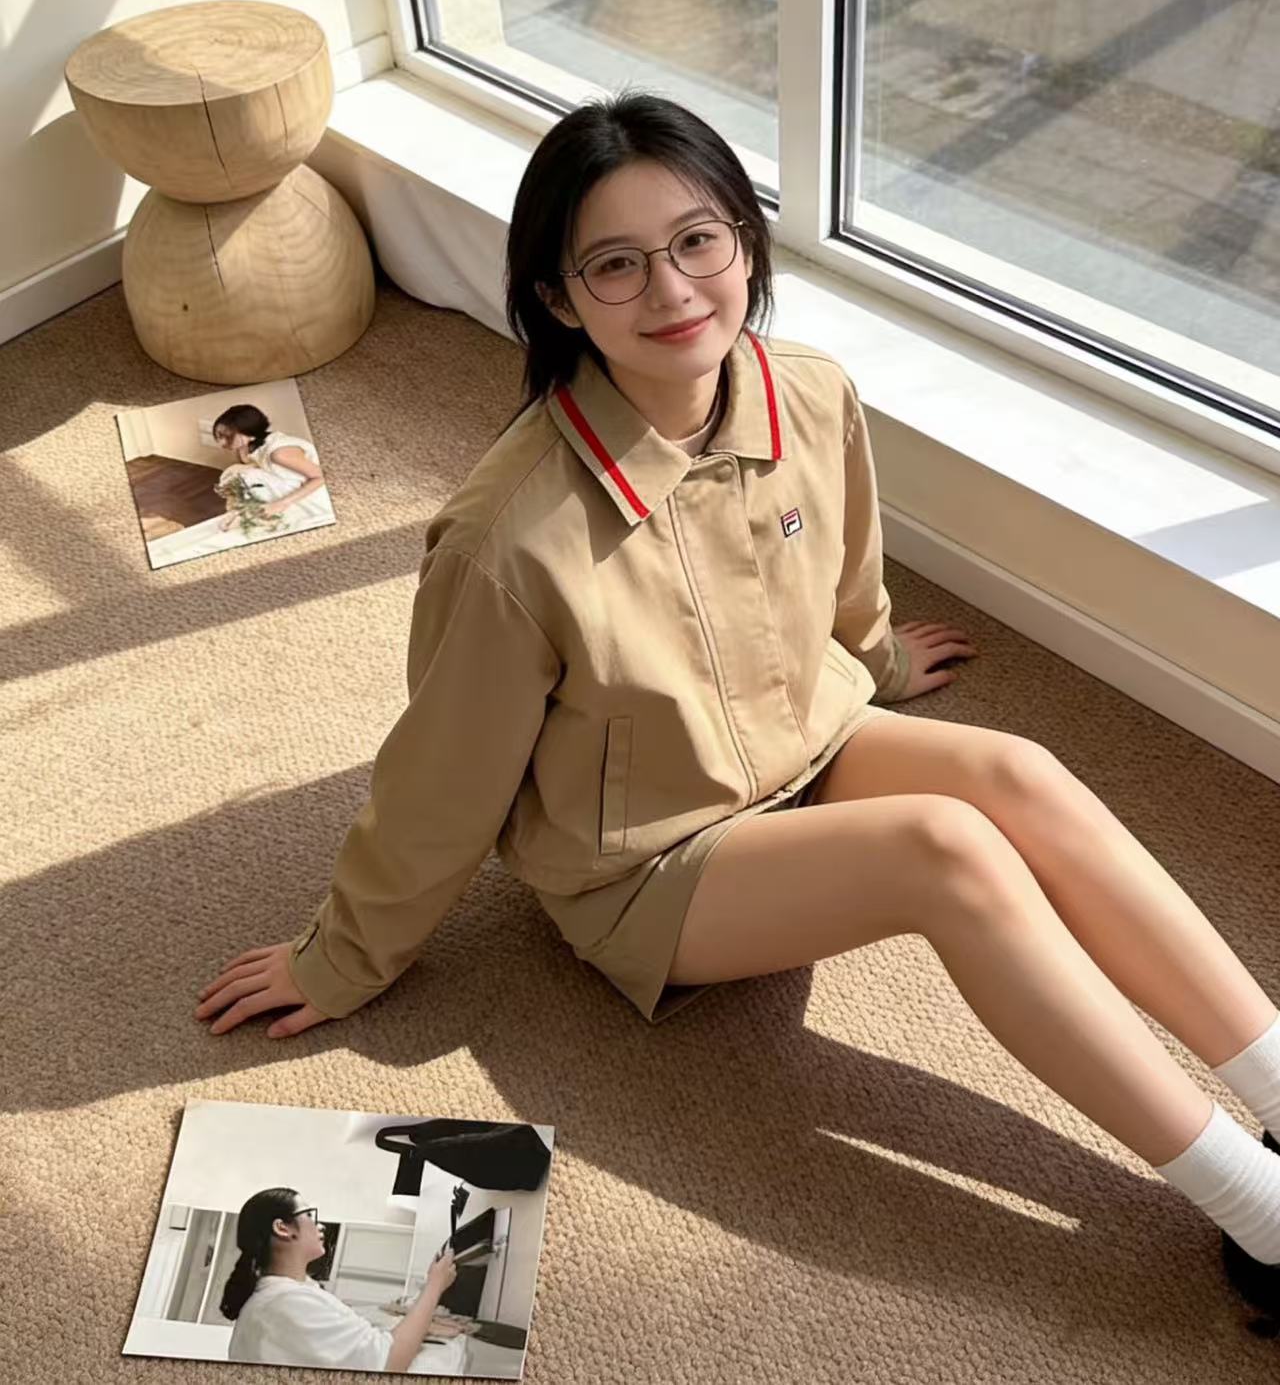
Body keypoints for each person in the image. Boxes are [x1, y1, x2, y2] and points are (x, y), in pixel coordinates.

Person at [197, 88, 1280, 1327]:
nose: (671, 290)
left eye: (696, 240)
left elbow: (846, 569)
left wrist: (875, 662)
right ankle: (1260, 1211)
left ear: (744, 244)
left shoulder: (808, 392)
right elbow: (442, 780)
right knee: (947, 849)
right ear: (558, 300)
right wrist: (342, 955)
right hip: (650, 864)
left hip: (802, 742)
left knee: (1016, 771)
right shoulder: (507, 540)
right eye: (615, 264)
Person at [221, 1187, 457, 1371]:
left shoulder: (285, 1296)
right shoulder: (282, 1305)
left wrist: (421, 1318)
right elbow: (387, 1362)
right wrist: (434, 1285)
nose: (320, 1225)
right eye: (309, 1215)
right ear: (283, 1228)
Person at [212, 405, 329, 532]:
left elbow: (321, 477)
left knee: (246, 475)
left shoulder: (279, 454)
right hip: (285, 483)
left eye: (228, 437)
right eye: (219, 435)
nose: (221, 443)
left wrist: (281, 504)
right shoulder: (246, 446)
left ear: (250, 434)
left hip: (311, 492)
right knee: (234, 472)